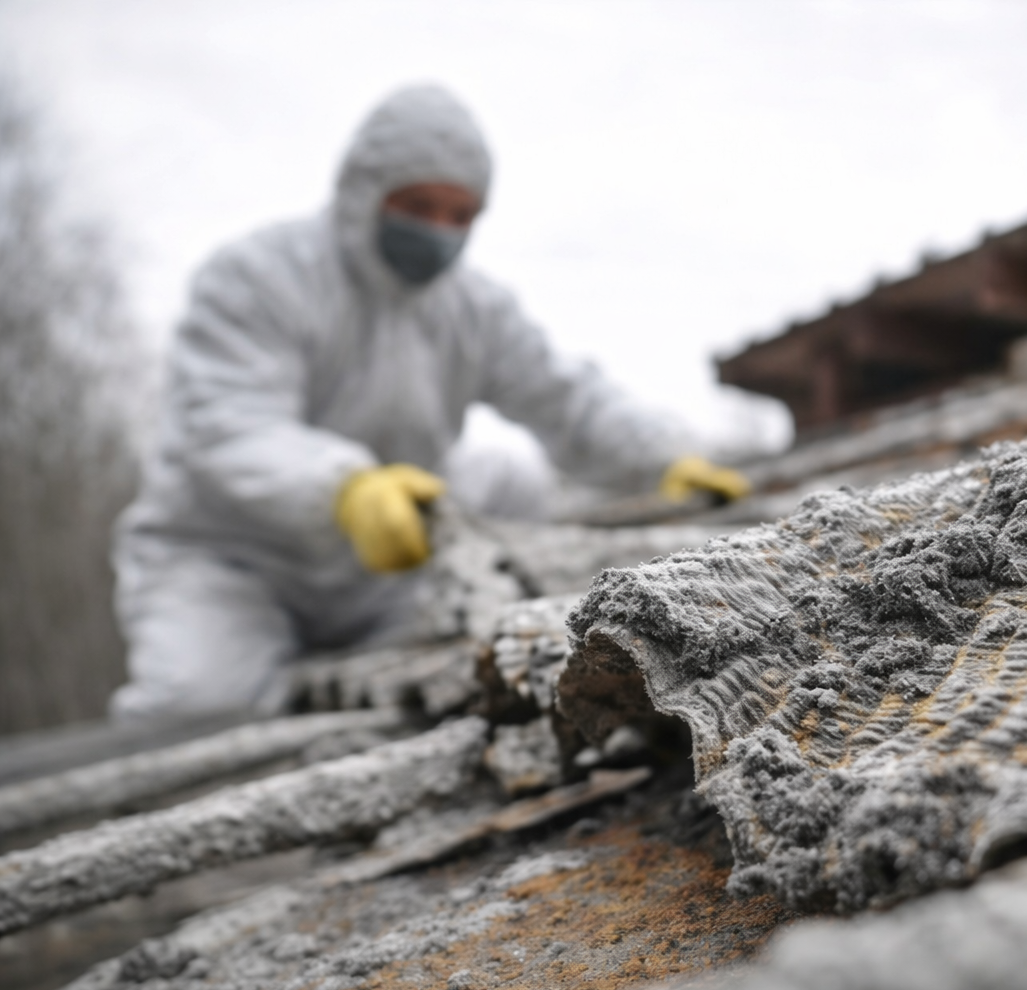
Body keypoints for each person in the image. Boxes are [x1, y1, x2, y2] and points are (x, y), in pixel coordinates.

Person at [109, 84, 748, 722]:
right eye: (418, 206)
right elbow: (229, 426)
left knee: (511, 481)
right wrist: (345, 489)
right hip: (235, 561)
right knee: (196, 705)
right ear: (364, 194)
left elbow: (564, 396)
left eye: (459, 214)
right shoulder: (259, 276)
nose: (438, 230)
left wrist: (662, 458)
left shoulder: (474, 308)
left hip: (386, 569)